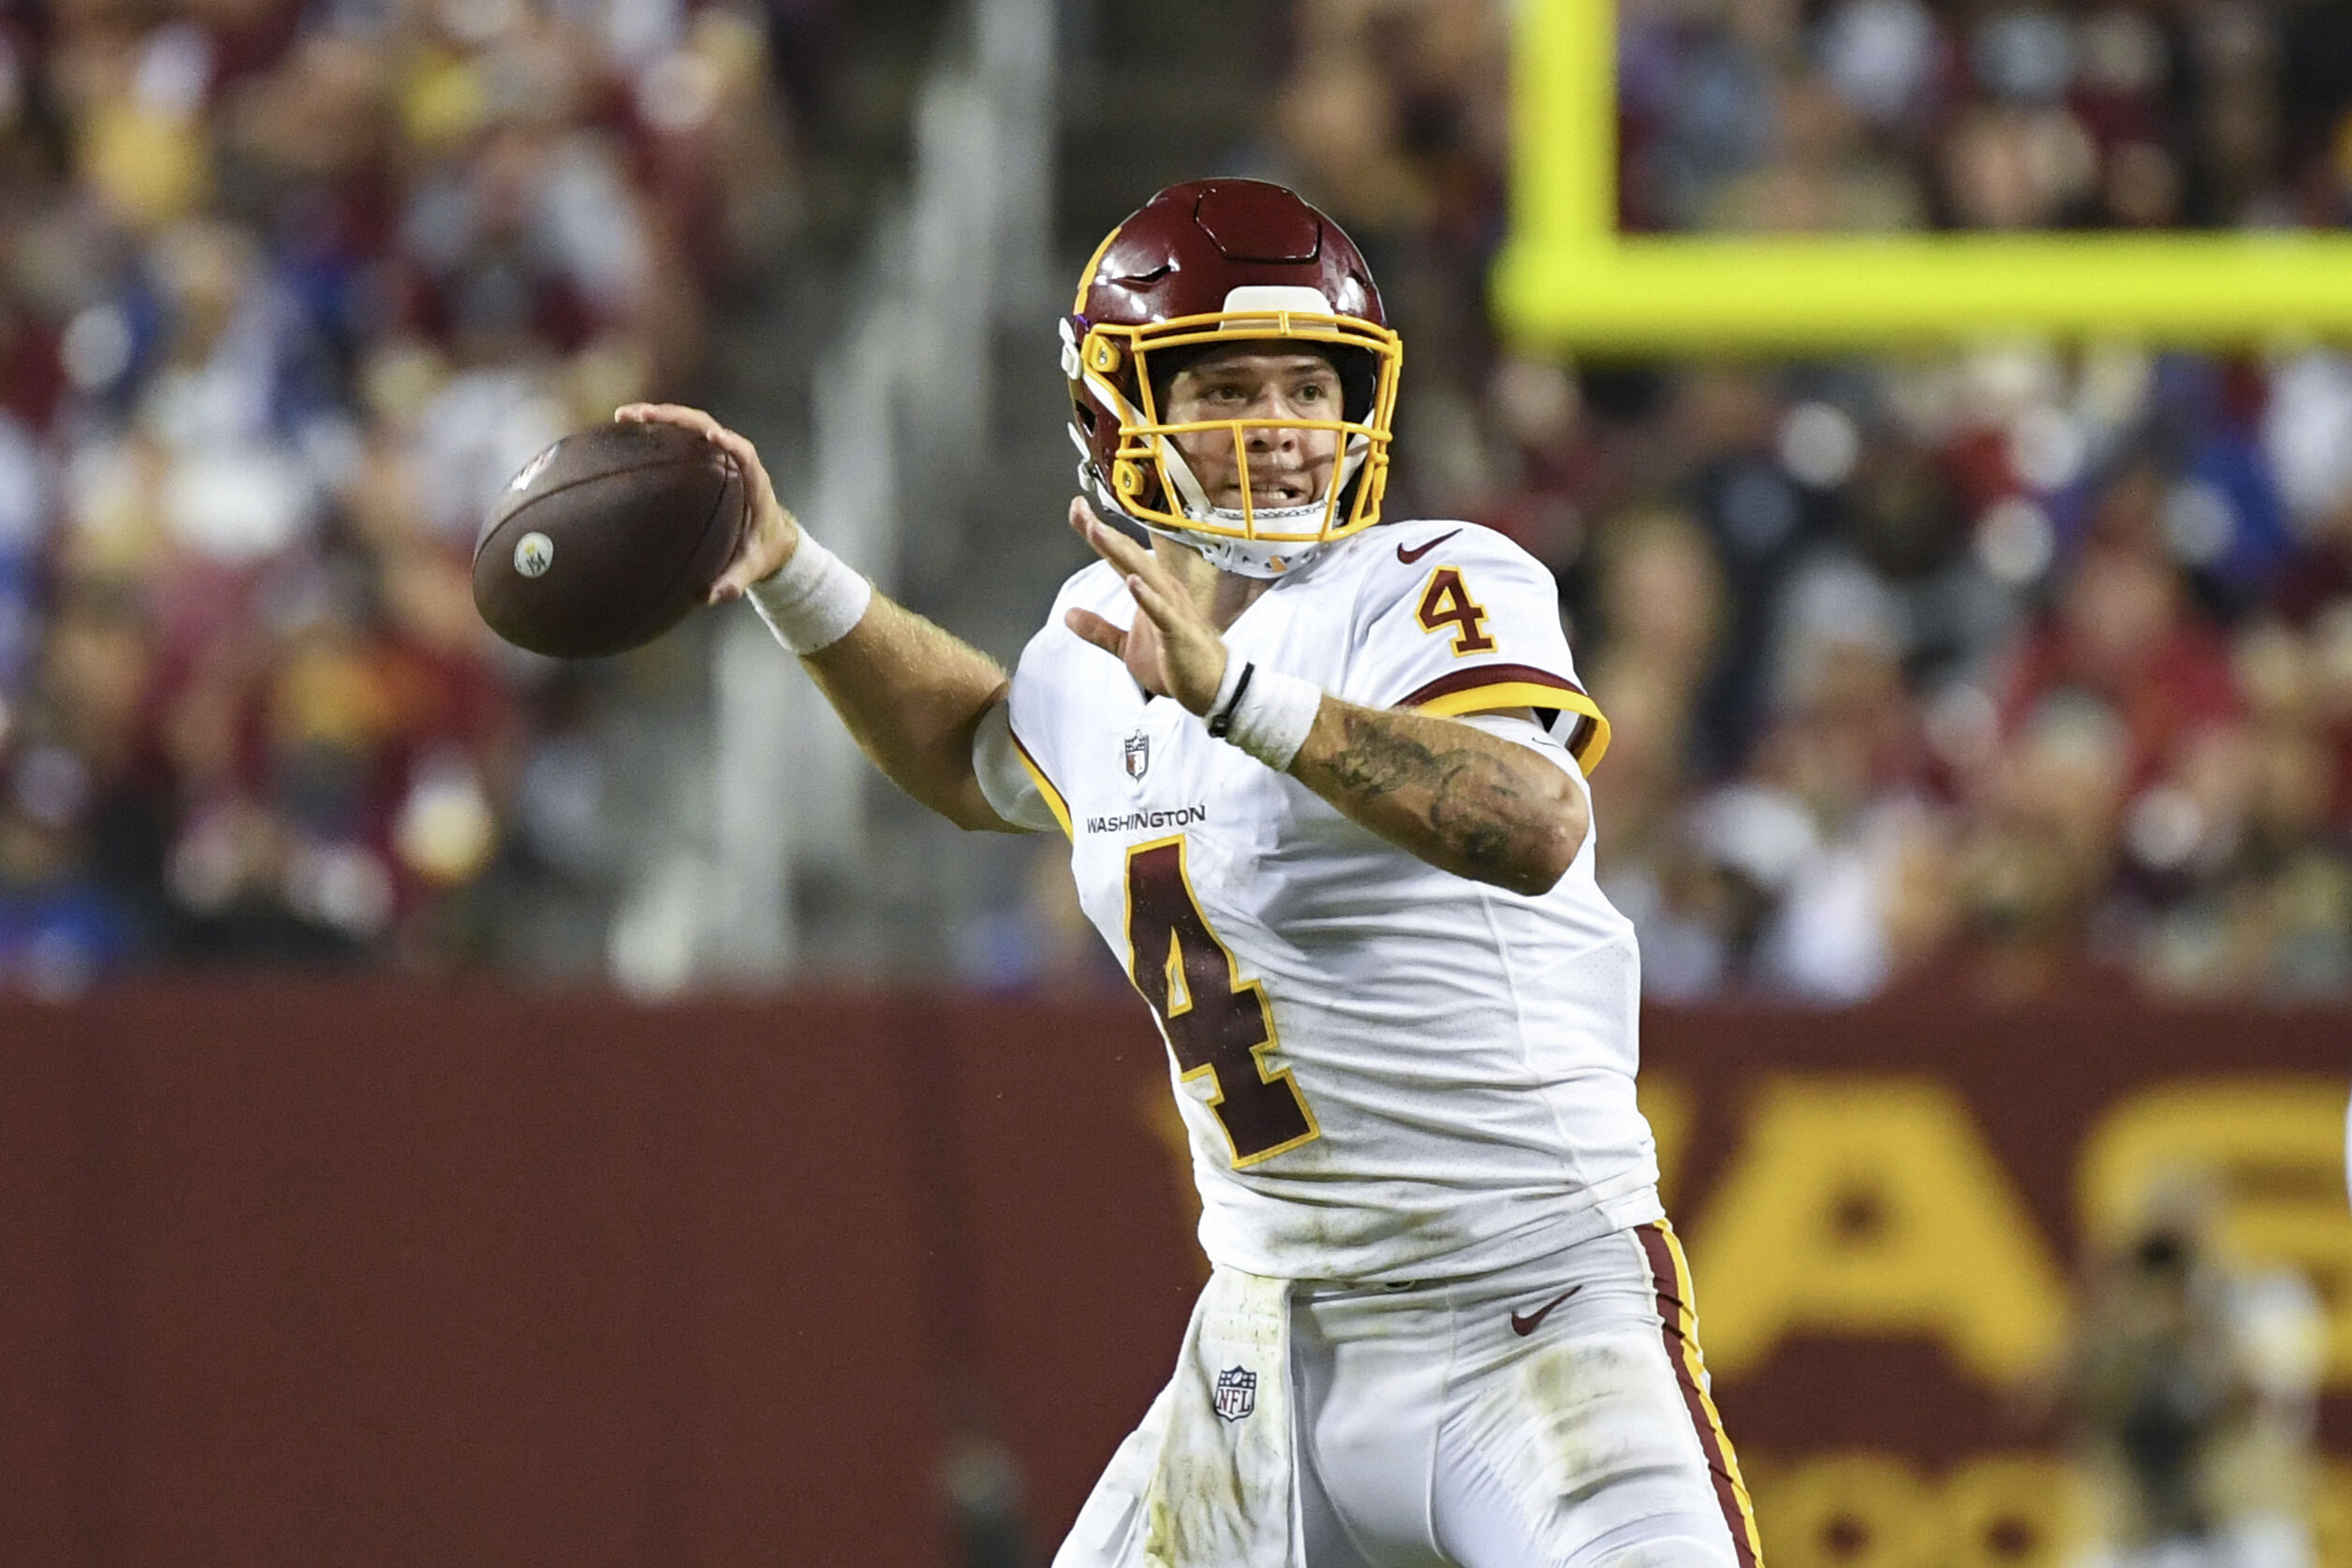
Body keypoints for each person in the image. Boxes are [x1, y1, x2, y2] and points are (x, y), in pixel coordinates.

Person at [620, 179, 1762, 1568]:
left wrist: (1237, 695)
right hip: (1265, 1343)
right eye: (1227, 387)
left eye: (1309, 387)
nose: (1280, 427)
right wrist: (789, 566)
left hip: (1529, 1306)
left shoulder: (1428, 581)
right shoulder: (1099, 635)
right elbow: (975, 757)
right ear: (1117, 408)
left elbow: (1534, 821)